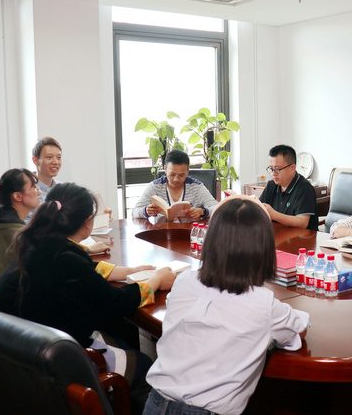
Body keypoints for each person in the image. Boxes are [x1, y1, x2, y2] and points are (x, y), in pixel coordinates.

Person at [0, 183, 176, 413]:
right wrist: (156, 280)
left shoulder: (40, 242)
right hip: (46, 364)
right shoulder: (66, 258)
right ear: (87, 222)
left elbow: (83, 271)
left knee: (118, 332)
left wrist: (129, 271)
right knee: (146, 364)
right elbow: (117, 303)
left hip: (13, 353)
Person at [143, 195, 310, 415]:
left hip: (155, 403)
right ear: (264, 250)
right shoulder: (263, 303)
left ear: (211, 241)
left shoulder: (184, 281)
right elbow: (299, 330)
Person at [132, 150, 218, 221]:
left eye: (181, 175)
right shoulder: (155, 186)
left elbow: (217, 209)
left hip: (188, 232)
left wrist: (203, 211)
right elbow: (134, 212)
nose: (176, 179)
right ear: (165, 169)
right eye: (172, 174)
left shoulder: (197, 187)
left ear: (187, 171)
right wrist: (146, 211)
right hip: (162, 231)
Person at [259, 144, 318, 231]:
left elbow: (303, 223)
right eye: (271, 169)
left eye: (277, 169)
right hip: (279, 233)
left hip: (302, 237)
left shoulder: (304, 188)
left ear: (292, 168)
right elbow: (259, 209)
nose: (273, 173)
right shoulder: (272, 185)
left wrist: (274, 215)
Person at [32, 136, 63, 203]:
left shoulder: (63, 189)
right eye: (49, 157)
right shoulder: (27, 191)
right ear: (35, 160)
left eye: (59, 157)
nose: (55, 162)